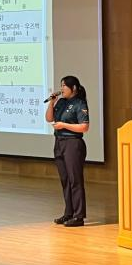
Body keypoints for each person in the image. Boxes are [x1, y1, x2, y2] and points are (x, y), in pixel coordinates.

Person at [45, 75, 90, 227]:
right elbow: (49, 118)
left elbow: (84, 127)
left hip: (73, 144)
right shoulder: (61, 102)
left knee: (75, 180)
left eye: (64, 85)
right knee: (65, 180)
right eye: (61, 85)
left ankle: (79, 216)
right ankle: (68, 212)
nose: (62, 88)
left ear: (74, 88)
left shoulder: (79, 103)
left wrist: (64, 125)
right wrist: (51, 103)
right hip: (59, 142)